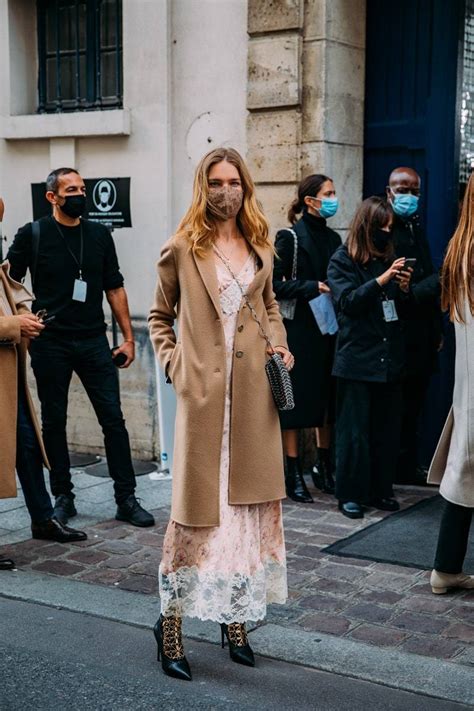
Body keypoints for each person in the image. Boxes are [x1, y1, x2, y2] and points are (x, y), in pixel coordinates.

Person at [148, 147, 292, 681]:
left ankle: (233, 623)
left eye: (233, 181)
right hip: (205, 403)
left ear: (245, 186)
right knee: (194, 521)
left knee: (245, 518)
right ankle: (169, 628)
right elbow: (159, 316)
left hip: (253, 400)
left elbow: (271, 307)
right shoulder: (183, 247)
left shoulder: (260, 243)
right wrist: (175, 368)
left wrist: (279, 343)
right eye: (215, 181)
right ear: (202, 186)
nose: (225, 190)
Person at [7, 168, 154, 529]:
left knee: (113, 420)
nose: (80, 195)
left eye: (82, 189)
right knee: (55, 423)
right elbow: (8, 283)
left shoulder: (100, 235)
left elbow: (114, 287)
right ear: (52, 197)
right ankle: (63, 496)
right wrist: (22, 323)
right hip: (50, 342)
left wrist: (129, 339)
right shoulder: (34, 234)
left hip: (93, 340)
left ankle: (126, 498)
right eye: (71, 190)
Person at [0, 196, 86, 572]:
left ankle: (42, 517)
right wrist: (11, 327)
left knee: (27, 445)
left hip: (8, 374)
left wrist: (24, 315)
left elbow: (12, 290)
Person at [327, 196, 412, 519]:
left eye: (390, 227)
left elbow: (397, 312)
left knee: (385, 430)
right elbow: (347, 302)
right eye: (382, 227)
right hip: (357, 360)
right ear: (367, 227)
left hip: (387, 359)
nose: (387, 233)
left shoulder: (386, 259)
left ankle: (380, 489)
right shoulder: (342, 260)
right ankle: (349, 494)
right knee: (354, 433)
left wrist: (402, 289)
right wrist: (381, 282)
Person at [273, 175, 342, 503]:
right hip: (299, 329)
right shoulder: (289, 237)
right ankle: (293, 472)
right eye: (327, 194)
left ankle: (324, 466)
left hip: (328, 329)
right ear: (310, 200)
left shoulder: (334, 239)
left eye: (334, 193)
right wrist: (312, 286)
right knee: (296, 402)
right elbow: (273, 286)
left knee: (326, 401)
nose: (333, 198)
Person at [427, 173, 474, 595]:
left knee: (465, 473)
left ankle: (445, 568)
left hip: (468, 385)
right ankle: (444, 569)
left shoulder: (461, 250)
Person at [386, 167, 442, 484]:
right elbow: (397, 288)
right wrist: (437, 281)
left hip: (422, 332)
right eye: (401, 188)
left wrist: (437, 330)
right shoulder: (384, 229)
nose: (407, 195)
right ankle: (394, 469)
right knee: (398, 406)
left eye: (414, 190)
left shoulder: (415, 225)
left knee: (415, 404)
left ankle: (408, 467)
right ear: (389, 190)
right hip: (397, 333)